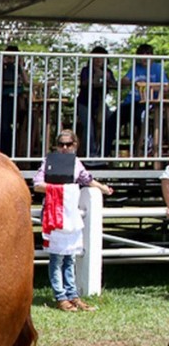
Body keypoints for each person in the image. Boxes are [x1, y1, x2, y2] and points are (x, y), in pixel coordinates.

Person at [32, 129, 112, 312]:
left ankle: (73, 296)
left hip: (70, 212)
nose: (65, 148)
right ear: (56, 146)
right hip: (54, 212)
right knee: (57, 256)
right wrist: (61, 190)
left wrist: (103, 188)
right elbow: (37, 184)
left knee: (70, 257)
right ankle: (60, 296)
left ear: (75, 145)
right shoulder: (48, 162)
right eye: (61, 144)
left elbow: (87, 179)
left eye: (68, 144)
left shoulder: (76, 164)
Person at [118, 43, 167, 155]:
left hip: (147, 102)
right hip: (130, 102)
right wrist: (133, 83)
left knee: (140, 116)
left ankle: (147, 142)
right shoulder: (135, 67)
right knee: (111, 122)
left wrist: (149, 86)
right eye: (142, 55)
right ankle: (101, 154)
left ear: (152, 56)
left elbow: (165, 87)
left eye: (147, 54)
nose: (144, 58)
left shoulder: (158, 68)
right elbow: (124, 80)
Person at [76, 45, 117, 160]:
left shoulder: (108, 71)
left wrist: (107, 78)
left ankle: (104, 151)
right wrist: (95, 77)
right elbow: (85, 83)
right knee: (88, 126)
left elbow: (114, 85)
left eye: (101, 58)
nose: (99, 60)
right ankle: (91, 153)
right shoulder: (86, 70)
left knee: (110, 120)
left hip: (99, 103)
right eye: (96, 57)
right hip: (84, 103)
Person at [0, 44, 29, 157]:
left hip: (18, 100)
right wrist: (3, 63)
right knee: (4, 127)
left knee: (23, 126)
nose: (11, 60)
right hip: (5, 98)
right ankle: (5, 152)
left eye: (14, 57)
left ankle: (19, 152)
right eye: (9, 57)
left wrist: (21, 66)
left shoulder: (17, 68)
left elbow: (27, 81)